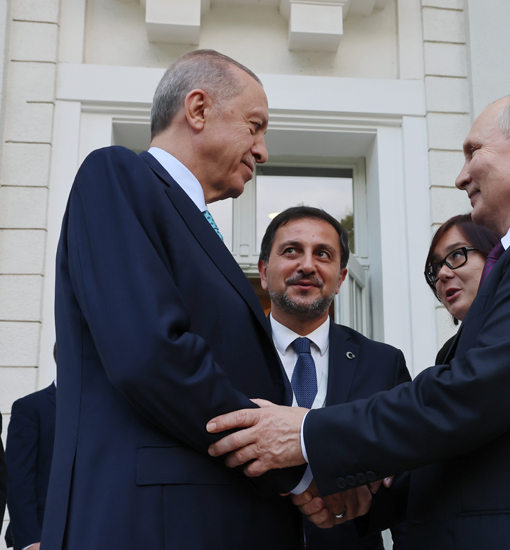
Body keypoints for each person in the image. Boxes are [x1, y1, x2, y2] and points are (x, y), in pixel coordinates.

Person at [207, 88, 510, 550]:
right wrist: (370, 496)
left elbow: (477, 393)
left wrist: (308, 432)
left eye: (473, 152)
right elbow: (474, 437)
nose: (461, 177)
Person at [43, 49, 308, 550]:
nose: (263, 150)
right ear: (198, 109)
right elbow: (151, 354)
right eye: (254, 126)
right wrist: (289, 463)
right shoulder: (117, 175)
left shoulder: (197, 227)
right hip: (153, 525)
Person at [258, 206, 409, 550]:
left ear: (340, 279)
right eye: (291, 250)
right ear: (264, 272)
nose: (307, 265)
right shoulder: (227, 355)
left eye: (323, 254)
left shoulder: (384, 363)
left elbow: (406, 483)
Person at [424, 214, 499, 363]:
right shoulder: (446, 355)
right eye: (437, 266)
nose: (442, 273)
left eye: (457, 254)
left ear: (493, 255)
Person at [5, 345, 58, 550]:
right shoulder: (30, 407)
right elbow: (18, 478)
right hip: (43, 535)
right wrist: (30, 542)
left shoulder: (108, 409)